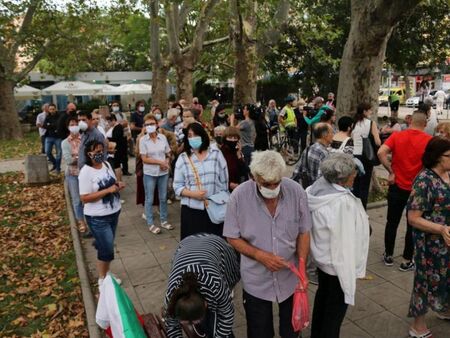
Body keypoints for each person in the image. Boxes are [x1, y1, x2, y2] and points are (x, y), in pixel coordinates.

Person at [224, 150, 311, 338]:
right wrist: (259, 256)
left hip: (290, 278)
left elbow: (304, 232)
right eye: (266, 184)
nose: (272, 188)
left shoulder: (296, 192)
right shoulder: (239, 197)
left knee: (292, 332)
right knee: (259, 332)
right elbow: (232, 237)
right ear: (254, 177)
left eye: (276, 183)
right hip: (256, 280)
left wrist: (302, 265)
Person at [307, 153, 370, 338]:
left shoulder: (315, 189)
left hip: (323, 261)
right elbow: (346, 240)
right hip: (337, 265)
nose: (355, 176)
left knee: (323, 301)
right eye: (353, 173)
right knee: (334, 314)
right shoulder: (342, 203)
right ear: (342, 178)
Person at [406, 137, 450, 338]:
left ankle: (444, 308)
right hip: (430, 243)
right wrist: (441, 229)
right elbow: (413, 218)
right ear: (437, 158)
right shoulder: (424, 180)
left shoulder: (448, 174)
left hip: (447, 239)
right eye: (449, 156)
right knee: (425, 282)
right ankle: (418, 326)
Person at [377, 111, 432, 270]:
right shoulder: (429, 141)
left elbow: (381, 152)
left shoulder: (397, 136)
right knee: (413, 224)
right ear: (425, 124)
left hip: (396, 186)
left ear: (410, 121)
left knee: (391, 222)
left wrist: (391, 171)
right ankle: (407, 260)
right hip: (417, 189)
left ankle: (388, 255)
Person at [164, 234, 240, 338]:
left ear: (205, 304)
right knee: (204, 323)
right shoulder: (171, 296)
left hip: (218, 247)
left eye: (195, 321)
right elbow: (172, 327)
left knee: (218, 311)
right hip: (187, 246)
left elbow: (227, 314)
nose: (192, 324)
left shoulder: (216, 285)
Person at [79, 140, 125, 286]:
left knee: (107, 245)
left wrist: (118, 185)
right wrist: (107, 191)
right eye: (97, 152)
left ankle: (106, 272)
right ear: (89, 154)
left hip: (114, 212)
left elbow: (113, 183)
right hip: (98, 217)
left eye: (101, 151)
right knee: (107, 250)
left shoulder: (106, 164)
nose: (100, 154)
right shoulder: (85, 172)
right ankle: (102, 279)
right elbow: (84, 198)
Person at [173, 123, 229, 240]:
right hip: (192, 211)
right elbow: (177, 186)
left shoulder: (216, 154)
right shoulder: (183, 158)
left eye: (196, 134)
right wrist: (193, 194)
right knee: (194, 248)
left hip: (215, 208)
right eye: (190, 135)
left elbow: (224, 183)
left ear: (203, 135)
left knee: (215, 245)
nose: (193, 138)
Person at [140, 114, 173, 234]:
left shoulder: (163, 137)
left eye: (152, 124)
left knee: (163, 197)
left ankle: (164, 220)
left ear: (157, 124)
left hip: (163, 172)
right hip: (149, 173)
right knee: (149, 198)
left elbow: (168, 152)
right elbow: (144, 158)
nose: (150, 126)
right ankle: (150, 223)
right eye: (147, 124)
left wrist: (167, 162)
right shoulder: (143, 140)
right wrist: (160, 162)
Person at [351, 102, 381, 209]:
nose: (371, 112)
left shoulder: (354, 123)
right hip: (366, 157)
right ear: (364, 111)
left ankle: (353, 207)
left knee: (355, 184)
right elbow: (377, 142)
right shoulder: (371, 123)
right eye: (369, 110)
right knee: (364, 185)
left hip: (354, 155)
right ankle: (362, 209)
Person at [62, 116, 87, 234]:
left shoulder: (84, 139)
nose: (74, 126)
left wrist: (76, 157)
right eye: (71, 124)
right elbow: (68, 160)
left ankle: (89, 219)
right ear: (68, 127)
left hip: (86, 173)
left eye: (76, 123)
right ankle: (81, 221)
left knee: (86, 198)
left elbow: (89, 154)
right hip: (73, 174)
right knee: (77, 200)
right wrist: (81, 157)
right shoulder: (65, 143)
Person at [292, 123, 334, 187]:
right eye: (331, 133)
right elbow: (322, 180)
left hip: (307, 189)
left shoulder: (308, 149)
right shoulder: (324, 153)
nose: (333, 135)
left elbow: (297, 171)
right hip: (317, 192)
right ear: (324, 135)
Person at [220, 126, 249, 191]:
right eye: (230, 137)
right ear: (225, 138)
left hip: (237, 187)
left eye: (235, 138)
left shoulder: (237, 152)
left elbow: (244, 172)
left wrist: (239, 156)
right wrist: (229, 183)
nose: (233, 140)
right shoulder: (221, 153)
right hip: (224, 188)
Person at [110, 101, 131, 175]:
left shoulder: (122, 114)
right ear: (111, 106)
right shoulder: (110, 115)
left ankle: (125, 170)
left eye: (117, 105)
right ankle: (117, 169)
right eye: (114, 105)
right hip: (115, 137)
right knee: (117, 154)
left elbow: (126, 124)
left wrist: (128, 134)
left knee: (124, 154)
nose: (116, 106)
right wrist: (121, 124)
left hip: (123, 136)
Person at [105, 114, 127, 182]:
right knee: (116, 165)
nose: (108, 123)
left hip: (117, 148)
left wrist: (108, 139)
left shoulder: (118, 127)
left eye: (109, 122)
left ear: (113, 120)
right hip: (114, 148)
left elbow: (116, 138)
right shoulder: (113, 127)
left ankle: (119, 180)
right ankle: (118, 180)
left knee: (117, 165)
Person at [43, 103, 63, 173]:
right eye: (50, 109)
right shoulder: (47, 116)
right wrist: (52, 125)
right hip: (49, 137)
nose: (52, 110)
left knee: (59, 153)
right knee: (47, 152)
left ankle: (58, 168)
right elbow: (45, 125)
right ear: (48, 110)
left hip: (58, 137)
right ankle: (55, 163)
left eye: (53, 109)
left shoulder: (60, 116)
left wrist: (50, 125)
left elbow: (58, 124)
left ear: (55, 109)